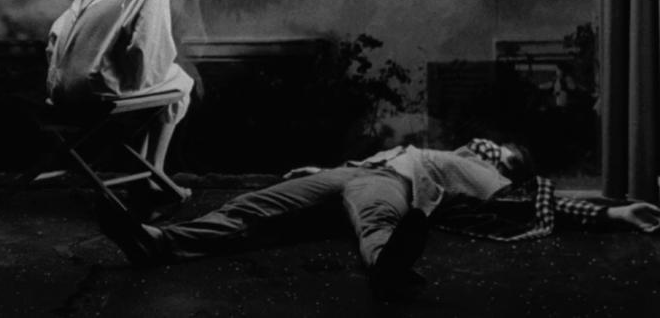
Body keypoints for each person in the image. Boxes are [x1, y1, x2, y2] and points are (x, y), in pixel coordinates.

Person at [96, 137, 660, 301]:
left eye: (503, 153)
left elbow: (546, 202)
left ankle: (388, 267)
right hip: (352, 171)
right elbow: (370, 162)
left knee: (377, 227)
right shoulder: (448, 150)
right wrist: (321, 168)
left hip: (389, 188)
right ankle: (157, 241)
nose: (490, 147)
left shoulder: (485, 175)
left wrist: (616, 212)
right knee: (253, 208)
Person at [46, 0, 202, 197]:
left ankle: (144, 175)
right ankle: (154, 173)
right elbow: (147, 47)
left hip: (61, 88)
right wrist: (142, 74)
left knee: (160, 84)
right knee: (181, 84)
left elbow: (58, 31)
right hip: (93, 92)